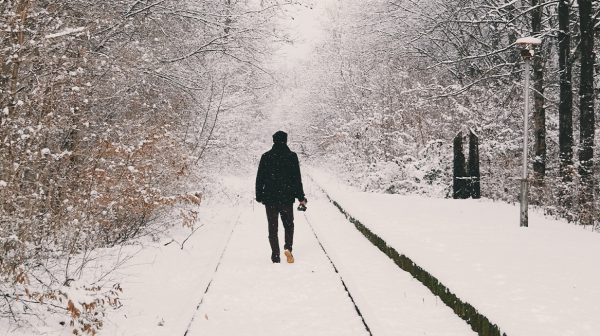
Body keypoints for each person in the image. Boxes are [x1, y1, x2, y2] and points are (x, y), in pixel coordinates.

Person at [255, 131, 307, 263]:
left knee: (273, 228)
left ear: (274, 141)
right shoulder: (292, 156)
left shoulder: (266, 157)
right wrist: (300, 197)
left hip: (270, 199)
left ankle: (275, 255)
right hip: (286, 198)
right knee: (289, 225)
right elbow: (297, 179)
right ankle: (288, 247)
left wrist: (259, 195)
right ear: (286, 140)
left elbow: (259, 178)